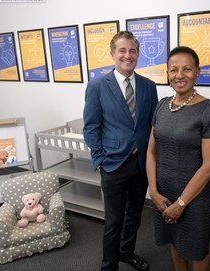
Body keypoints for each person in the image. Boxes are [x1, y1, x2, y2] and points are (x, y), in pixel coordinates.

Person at [83, 31, 158, 271]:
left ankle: (127, 252)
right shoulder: (97, 86)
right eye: (122, 51)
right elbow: (91, 127)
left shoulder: (148, 86)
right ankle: (109, 265)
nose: (128, 55)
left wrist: (152, 158)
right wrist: (100, 160)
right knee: (113, 221)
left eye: (132, 51)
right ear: (113, 54)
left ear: (138, 54)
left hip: (141, 163)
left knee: (134, 215)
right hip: (113, 164)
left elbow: (150, 125)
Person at [146, 46, 210, 271]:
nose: (180, 75)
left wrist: (181, 203)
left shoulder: (209, 110)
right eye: (174, 70)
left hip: (193, 197)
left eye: (187, 69)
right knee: (175, 242)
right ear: (168, 74)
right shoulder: (161, 106)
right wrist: (154, 193)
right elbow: (151, 151)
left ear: (197, 72)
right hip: (163, 194)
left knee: (196, 250)